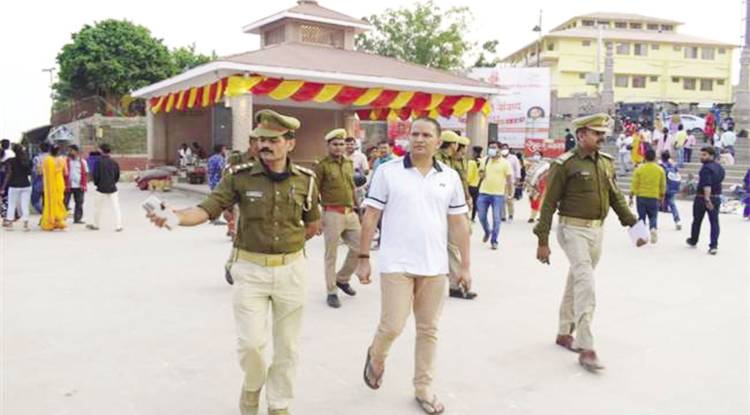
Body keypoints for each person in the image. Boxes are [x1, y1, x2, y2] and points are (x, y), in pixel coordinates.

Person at [147, 109, 320, 415]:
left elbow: (311, 225)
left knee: (288, 347)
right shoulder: (238, 177)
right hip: (250, 271)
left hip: (292, 271)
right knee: (252, 345)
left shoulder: (306, 180)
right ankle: (252, 388)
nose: (265, 145)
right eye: (260, 139)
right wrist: (175, 217)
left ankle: (279, 405)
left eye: (273, 140)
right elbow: (207, 208)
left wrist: (286, 252)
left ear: (290, 143)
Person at [357, 117, 471, 415]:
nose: (419, 139)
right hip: (397, 262)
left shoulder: (449, 176)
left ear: (437, 141)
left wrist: (465, 267)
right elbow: (371, 216)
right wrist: (363, 257)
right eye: (415, 134)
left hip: (435, 266)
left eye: (426, 135)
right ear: (408, 138)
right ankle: (377, 355)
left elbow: (459, 223)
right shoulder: (388, 172)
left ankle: (423, 388)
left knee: (428, 329)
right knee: (393, 325)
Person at [534, 113, 639, 372]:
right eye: (596, 133)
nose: (602, 137)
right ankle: (586, 346)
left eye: (603, 133)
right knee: (586, 283)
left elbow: (615, 196)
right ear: (581, 135)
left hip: (596, 231)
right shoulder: (564, 164)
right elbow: (548, 204)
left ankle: (563, 331)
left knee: (577, 280)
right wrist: (543, 240)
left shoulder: (605, 162)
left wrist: (634, 226)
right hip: (572, 229)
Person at [314, 128, 361, 309]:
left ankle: (342, 278)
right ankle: (331, 291)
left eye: (342, 144)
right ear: (328, 146)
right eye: (335, 144)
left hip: (350, 213)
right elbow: (314, 192)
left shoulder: (349, 163)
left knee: (359, 247)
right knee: (331, 255)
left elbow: (352, 188)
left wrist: (358, 210)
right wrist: (317, 217)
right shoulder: (322, 166)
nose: (339, 147)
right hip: (332, 213)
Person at [687, 147, 725, 255]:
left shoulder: (705, 168)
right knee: (714, 222)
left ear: (711, 156)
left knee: (697, 220)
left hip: (702, 198)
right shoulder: (720, 168)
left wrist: (707, 199)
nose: (702, 157)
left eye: (704, 155)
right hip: (716, 196)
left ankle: (693, 240)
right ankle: (714, 245)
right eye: (701, 154)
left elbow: (707, 185)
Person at [477, 141, 513, 250]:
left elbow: (509, 179)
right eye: (490, 147)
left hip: (498, 195)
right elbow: (480, 174)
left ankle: (494, 240)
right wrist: (481, 173)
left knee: (497, 218)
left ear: (498, 149)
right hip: (483, 192)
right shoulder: (485, 160)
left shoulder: (505, 163)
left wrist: (510, 193)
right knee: (481, 216)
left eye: (493, 147)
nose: (491, 149)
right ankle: (487, 231)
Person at [629, 149, 666, 243]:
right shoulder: (660, 170)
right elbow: (663, 185)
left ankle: (642, 236)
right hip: (654, 196)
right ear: (654, 158)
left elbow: (634, 183)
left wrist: (631, 196)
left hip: (641, 196)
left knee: (641, 217)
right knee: (653, 216)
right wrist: (662, 196)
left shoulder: (639, 169)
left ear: (644, 157)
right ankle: (653, 228)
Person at [86, 143, 122, 232]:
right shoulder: (114, 162)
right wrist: (113, 182)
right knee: (116, 207)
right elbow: (117, 176)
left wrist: (97, 184)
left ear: (101, 151)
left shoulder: (98, 162)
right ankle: (118, 226)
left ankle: (96, 225)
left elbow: (95, 175)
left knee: (97, 208)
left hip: (101, 188)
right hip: (112, 188)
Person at [2, 144, 32, 230]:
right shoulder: (27, 160)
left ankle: (10, 224)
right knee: (25, 205)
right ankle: (25, 225)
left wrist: (3, 187)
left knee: (11, 205)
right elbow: (29, 173)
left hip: (14, 185)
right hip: (26, 185)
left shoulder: (10, 161)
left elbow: (8, 174)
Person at [40, 144, 68, 231]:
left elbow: (41, 171)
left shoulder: (47, 160)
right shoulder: (62, 160)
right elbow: (66, 173)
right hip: (59, 183)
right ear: (58, 151)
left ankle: (50, 221)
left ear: (50, 151)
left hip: (49, 184)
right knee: (59, 201)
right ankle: (59, 220)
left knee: (49, 202)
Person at [660, 151, 683, 230]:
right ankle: (677, 220)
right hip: (672, 188)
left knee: (655, 205)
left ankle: (653, 221)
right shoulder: (673, 165)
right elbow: (677, 174)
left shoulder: (661, 166)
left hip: (663, 188)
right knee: (672, 205)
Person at [526, 150, 550, 223]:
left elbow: (547, 174)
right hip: (532, 186)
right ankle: (533, 215)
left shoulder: (545, 165)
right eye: (535, 154)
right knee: (533, 201)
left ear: (541, 156)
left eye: (538, 154)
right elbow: (528, 175)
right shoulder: (531, 165)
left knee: (541, 201)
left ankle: (538, 216)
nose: (536, 155)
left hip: (542, 185)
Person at [501, 143, 521, 222]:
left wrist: (517, 179)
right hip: (501, 182)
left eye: (506, 148)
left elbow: (517, 169)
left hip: (511, 182)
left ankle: (510, 215)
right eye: (503, 148)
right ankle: (502, 216)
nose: (504, 150)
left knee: (510, 199)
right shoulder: (499, 158)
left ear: (508, 149)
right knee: (502, 199)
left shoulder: (513, 158)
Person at [31, 142, 50, 214]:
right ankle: (46, 217)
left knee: (34, 201)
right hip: (50, 181)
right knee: (47, 201)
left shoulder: (37, 158)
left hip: (39, 181)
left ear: (40, 149)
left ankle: (44, 213)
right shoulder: (52, 157)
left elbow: (35, 171)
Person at [467, 146, 482, 222]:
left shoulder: (471, 162)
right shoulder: (482, 161)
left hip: (471, 185)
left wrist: (467, 182)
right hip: (478, 185)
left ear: (474, 152)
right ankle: (473, 218)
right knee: (475, 202)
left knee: (467, 200)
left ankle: (466, 216)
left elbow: (470, 174)